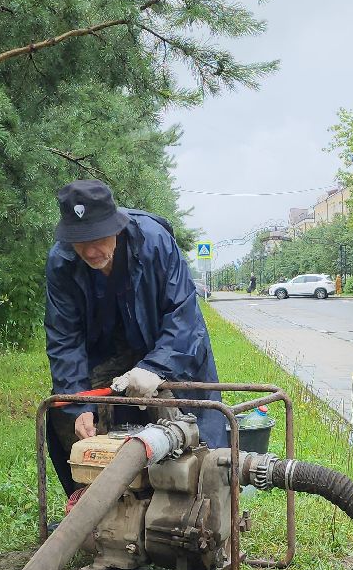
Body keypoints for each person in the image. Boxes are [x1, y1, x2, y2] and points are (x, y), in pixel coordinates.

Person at [44, 179, 227, 506]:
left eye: (97, 238)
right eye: (80, 241)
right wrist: (79, 407)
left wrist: (155, 368)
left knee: (192, 424)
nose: (90, 251)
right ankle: (99, 511)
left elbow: (183, 316)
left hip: (168, 349)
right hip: (106, 353)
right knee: (64, 415)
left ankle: (199, 508)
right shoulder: (61, 262)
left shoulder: (155, 242)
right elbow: (64, 338)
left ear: (115, 227)